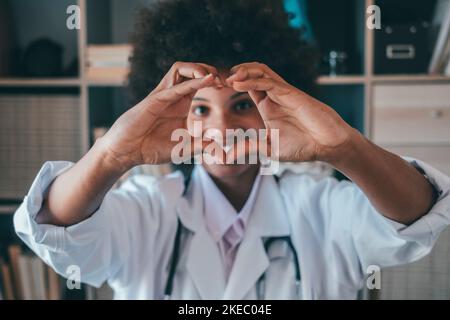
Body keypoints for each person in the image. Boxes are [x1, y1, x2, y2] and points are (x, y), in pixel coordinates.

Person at [14, 0, 450, 299]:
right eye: (199, 108)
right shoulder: (146, 210)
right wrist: (111, 155)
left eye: (242, 104)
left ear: (273, 108)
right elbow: (58, 230)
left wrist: (345, 147)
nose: (222, 129)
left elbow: (416, 215)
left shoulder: (320, 207)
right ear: (173, 115)